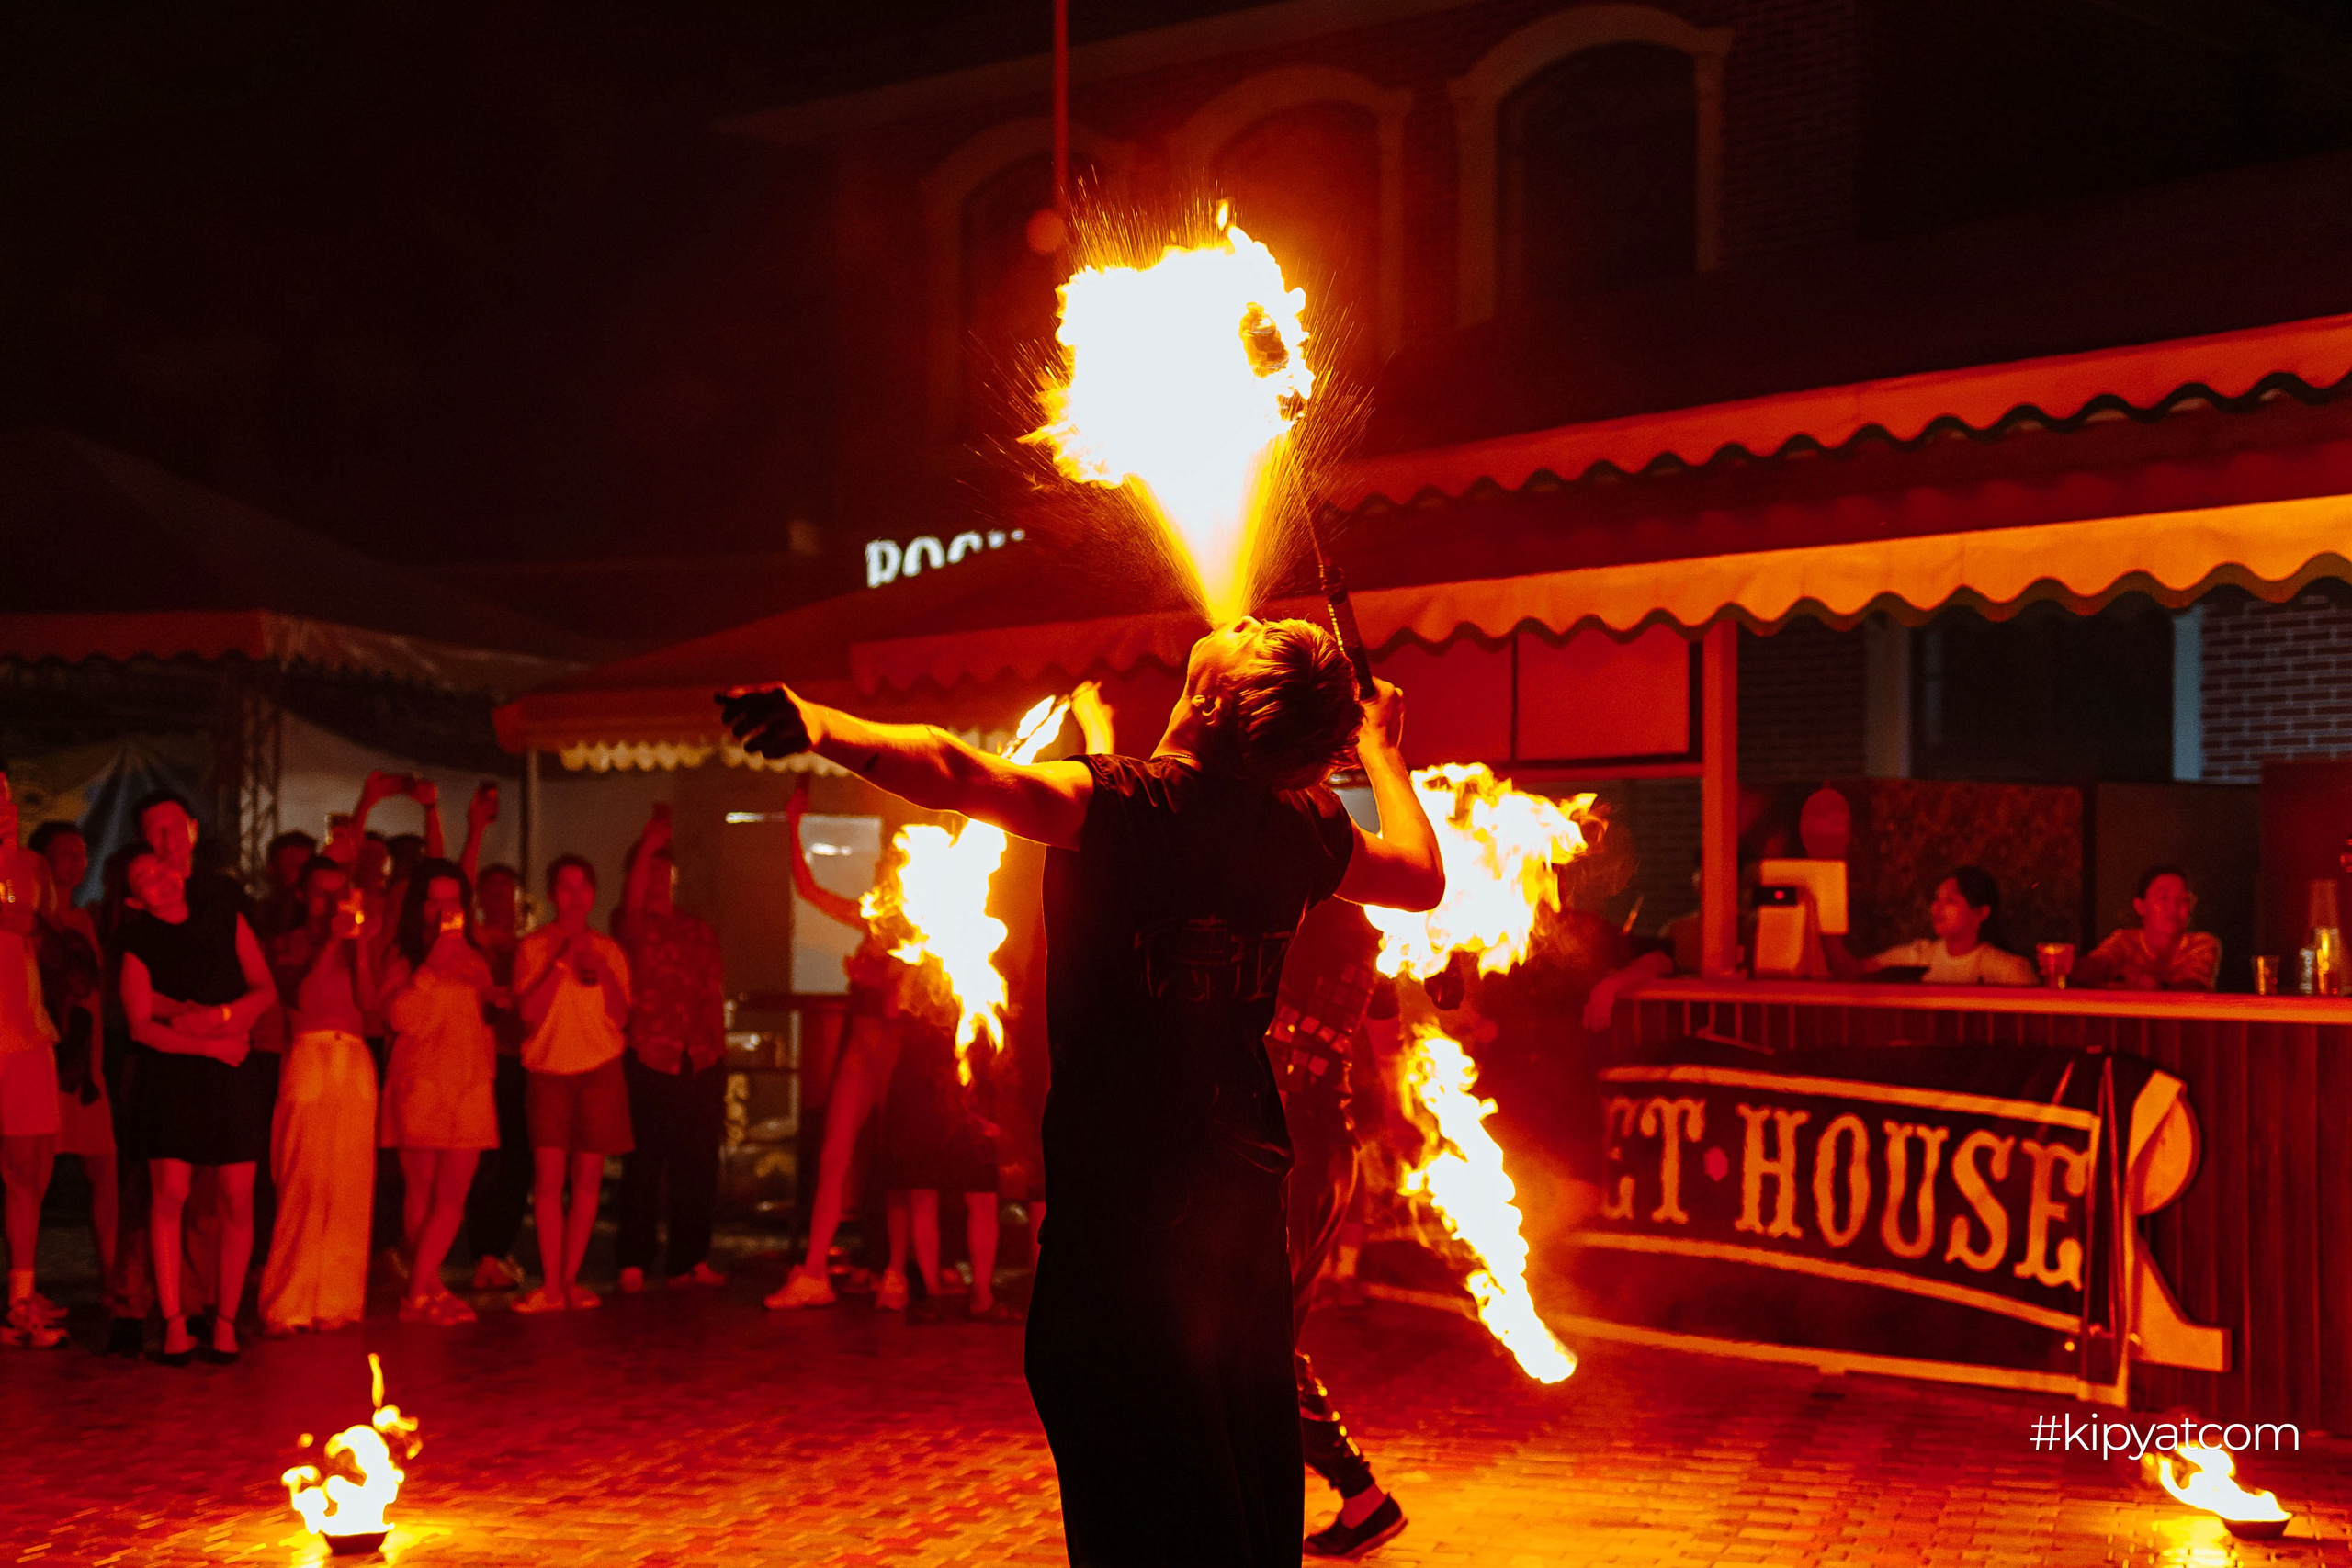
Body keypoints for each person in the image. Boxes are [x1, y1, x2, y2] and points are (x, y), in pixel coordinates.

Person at [720, 614, 1443, 1568]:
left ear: (1214, 697)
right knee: (1239, 1489)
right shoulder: (1298, 826)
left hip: (1126, 1226)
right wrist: (1381, 751)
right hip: (1241, 1212)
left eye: (1259, 632)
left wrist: (822, 725)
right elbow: (1422, 879)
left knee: (1140, 1510)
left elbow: (961, 772)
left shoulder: (1128, 806)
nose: (1250, 612)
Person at [1264, 895, 1406, 1556]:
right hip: (1317, 1144)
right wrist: (1401, 1104)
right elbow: (1386, 1017)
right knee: (1260, 1332)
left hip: (1291, 1148)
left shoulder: (1296, 913)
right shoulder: (1358, 924)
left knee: (1254, 1337)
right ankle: (1359, 1497)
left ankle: (1359, 1491)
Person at [116, 843, 277, 1364]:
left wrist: (223, 1019)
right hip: (177, 1072)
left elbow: (264, 989)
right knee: (170, 1193)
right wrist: (209, 1044)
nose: (161, 878)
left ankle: (226, 1321)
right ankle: (174, 1324)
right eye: (145, 877)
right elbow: (141, 1024)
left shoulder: (225, 918)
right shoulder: (137, 939)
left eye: (161, 868)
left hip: (231, 1071)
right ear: (135, 899)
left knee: (237, 1195)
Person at [765, 788, 905, 1311]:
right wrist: (792, 824)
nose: (886, 880)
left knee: (897, 1167)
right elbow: (808, 889)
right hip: (860, 1048)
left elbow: (901, 1005)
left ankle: (895, 1271)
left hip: (893, 1052)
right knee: (832, 1156)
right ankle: (815, 1271)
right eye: (885, 870)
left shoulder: (926, 933)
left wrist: (875, 973)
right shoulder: (870, 920)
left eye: (893, 871)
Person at [258, 855, 379, 1337]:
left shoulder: (357, 942)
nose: (331, 902)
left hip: (353, 1054)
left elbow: (370, 1006)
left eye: (338, 892)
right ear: (304, 896)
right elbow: (303, 998)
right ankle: (287, 1303)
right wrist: (332, 940)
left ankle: (338, 1299)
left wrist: (360, 948)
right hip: (310, 1053)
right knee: (303, 1183)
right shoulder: (288, 943)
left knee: (349, 1185)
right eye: (322, 893)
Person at [613, 807, 729, 1293]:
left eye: (667, 871)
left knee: (697, 1165)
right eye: (652, 872)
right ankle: (634, 1259)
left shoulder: (697, 930)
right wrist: (648, 844)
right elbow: (633, 910)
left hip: (698, 1061)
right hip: (647, 1057)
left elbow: (712, 995)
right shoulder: (632, 926)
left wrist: (716, 1058)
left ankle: (688, 1258)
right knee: (643, 1165)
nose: (661, 881)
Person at [379, 859, 499, 1324]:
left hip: (469, 1084)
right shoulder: (403, 957)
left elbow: (483, 1019)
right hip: (421, 1083)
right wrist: (430, 967)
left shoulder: (474, 957)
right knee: (423, 1190)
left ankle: (422, 1286)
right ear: (420, 905)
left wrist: (496, 1001)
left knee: (453, 1193)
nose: (445, 909)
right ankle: (426, 1289)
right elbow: (399, 1018)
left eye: (454, 900)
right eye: (435, 899)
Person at [512, 853, 632, 1313]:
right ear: (552, 894)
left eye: (583, 886)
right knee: (548, 1179)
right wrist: (560, 960)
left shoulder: (610, 950)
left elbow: (621, 1018)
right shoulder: (535, 947)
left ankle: (569, 1279)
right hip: (548, 1069)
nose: (575, 895)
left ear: (594, 894)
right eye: (565, 886)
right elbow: (527, 1013)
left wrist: (599, 971)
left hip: (599, 1069)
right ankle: (550, 1283)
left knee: (587, 1180)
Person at [871, 967, 1007, 1322]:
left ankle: (982, 1295)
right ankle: (933, 1294)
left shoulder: (985, 947)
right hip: (922, 1079)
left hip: (972, 1077)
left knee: (982, 1194)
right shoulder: (916, 955)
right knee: (923, 1190)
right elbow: (891, 1012)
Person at [29, 822, 122, 1336]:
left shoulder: (85, 920)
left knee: (103, 1172)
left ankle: (111, 1279)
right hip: (46, 1063)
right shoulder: (28, 920)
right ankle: (26, 1280)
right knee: (32, 1177)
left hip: (85, 1069)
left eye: (80, 852)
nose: (73, 860)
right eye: (63, 851)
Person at [0, 776, 66, 1349]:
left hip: (26, 1034)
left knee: (31, 1168)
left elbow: (34, 928)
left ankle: (22, 1297)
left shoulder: (32, 867)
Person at [464, 859, 533, 1288]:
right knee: (485, 1161)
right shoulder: (472, 943)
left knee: (518, 1162)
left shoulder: (532, 946)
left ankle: (499, 1249)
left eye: (506, 888)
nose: (499, 895)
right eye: (490, 888)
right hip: (484, 1063)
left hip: (523, 1062)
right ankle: (483, 1254)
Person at [1853, 867, 2037, 987]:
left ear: (1981, 913)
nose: (1937, 908)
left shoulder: (2009, 970)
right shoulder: (1919, 956)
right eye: (1936, 900)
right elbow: (1856, 970)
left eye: (1950, 901)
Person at [2076, 866, 2221, 991]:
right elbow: (2091, 970)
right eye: (2163, 898)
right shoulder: (2123, 941)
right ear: (2141, 906)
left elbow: (2194, 991)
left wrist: (2155, 986)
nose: (2173, 908)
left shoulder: (2202, 944)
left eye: (2182, 900)